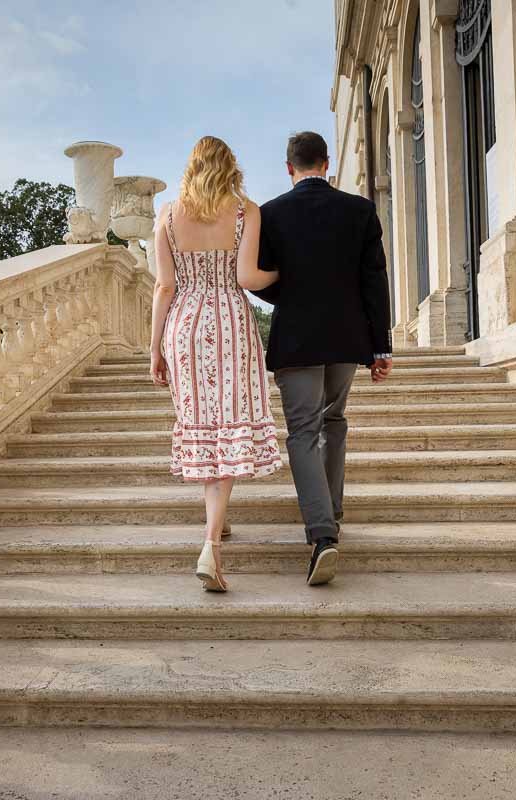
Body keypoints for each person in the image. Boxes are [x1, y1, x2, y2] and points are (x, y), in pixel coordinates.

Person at [245, 131, 393, 586]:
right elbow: (374, 280)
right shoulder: (360, 210)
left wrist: (288, 295)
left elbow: (258, 277)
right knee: (334, 422)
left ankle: (323, 534)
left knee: (303, 432)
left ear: (289, 167)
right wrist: (380, 346)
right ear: (326, 163)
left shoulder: (271, 213)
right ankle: (333, 512)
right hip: (348, 337)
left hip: (297, 340)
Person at [150, 135, 282, 592]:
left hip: (184, 324)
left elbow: (164, 286)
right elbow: (248, 278)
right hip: (228, 320)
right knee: (229, 425)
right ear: (230, 166)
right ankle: (212, 543)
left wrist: (155, 348)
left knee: (204, 426)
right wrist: (282, 275)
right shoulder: (247, 211)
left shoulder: (166, 215)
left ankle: (216, 524)